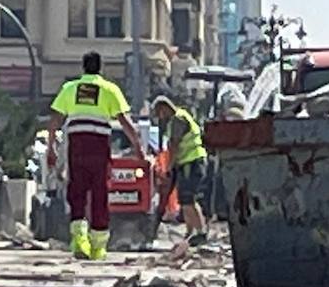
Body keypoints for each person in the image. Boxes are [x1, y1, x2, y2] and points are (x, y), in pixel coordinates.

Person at [46, 52, 141, 261]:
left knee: (77, 190)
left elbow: (54, 119)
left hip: (77, 145)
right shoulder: (109, 89)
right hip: (99, 146)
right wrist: (138, 147)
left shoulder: (70, 88)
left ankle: (80, 239)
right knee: (100, 193)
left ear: (83, 67)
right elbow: (125, 121)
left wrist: (51, 147)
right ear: (100, 68)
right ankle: (98, 246)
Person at [151, 96, 210, 246]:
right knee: (185, 200)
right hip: (188, 162)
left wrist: (169, 167)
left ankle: (200, 232)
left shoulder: (178, 120)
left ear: (165, 108)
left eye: (159, 113)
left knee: (188, 198)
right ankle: (190, 233)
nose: (160, 117)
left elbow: (175, 145)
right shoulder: (180, 117)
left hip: (191, 161)